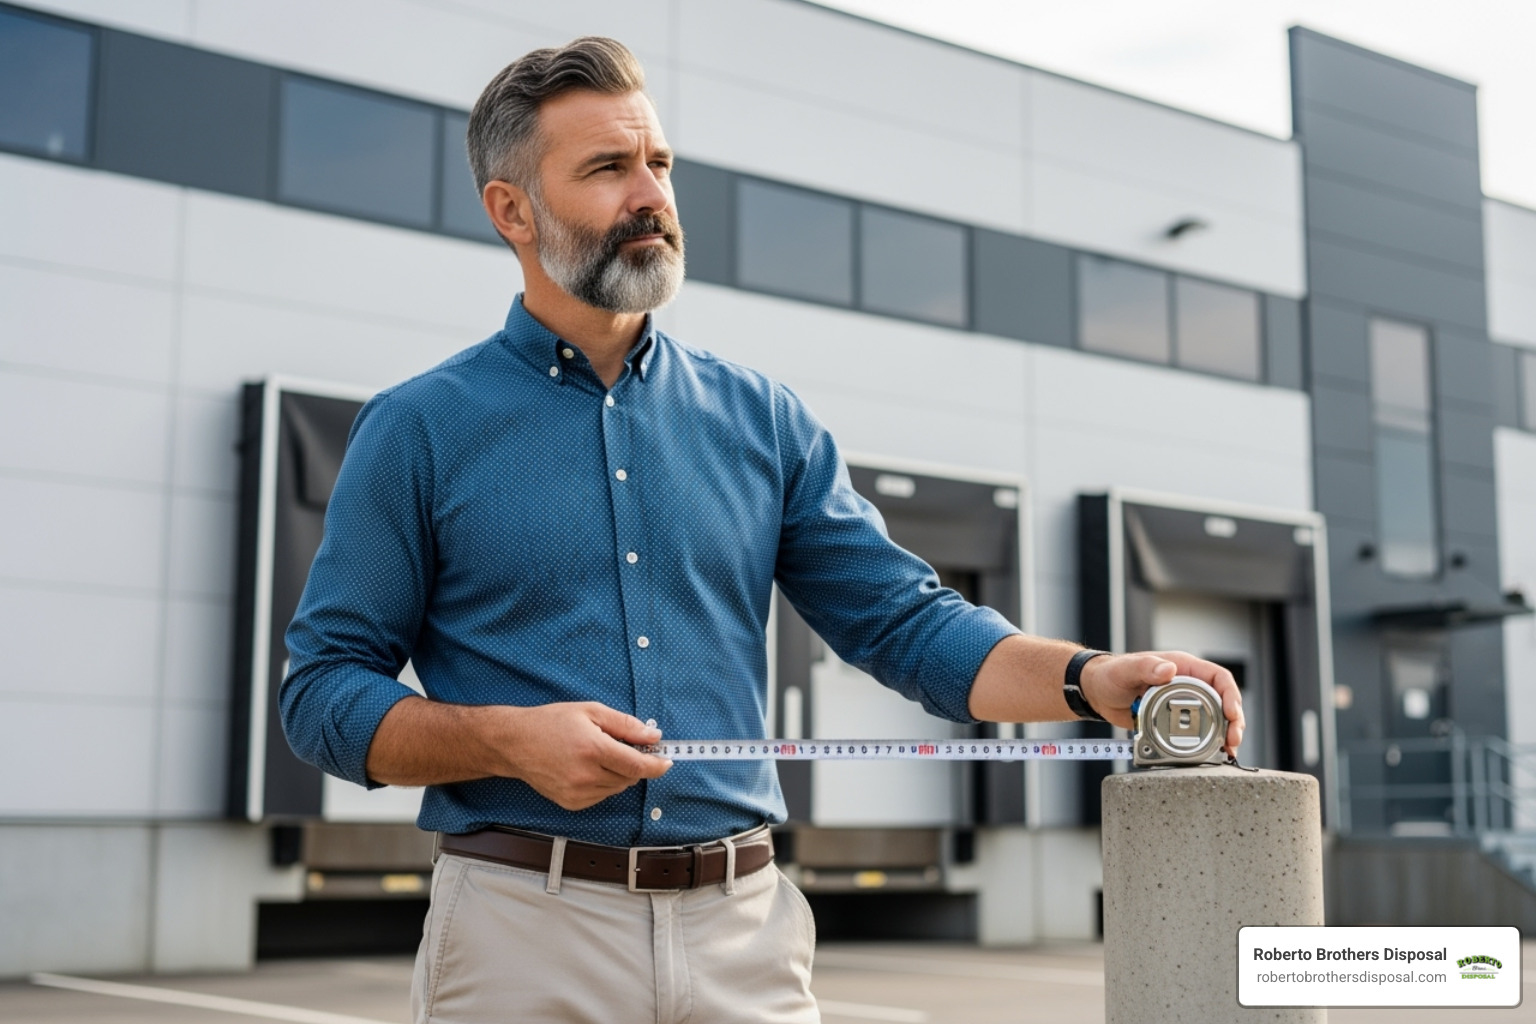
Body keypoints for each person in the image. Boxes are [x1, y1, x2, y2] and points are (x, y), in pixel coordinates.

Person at [280, 35, 1245, 1024]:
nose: (649, 193)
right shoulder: (419, 429)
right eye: (608, 168)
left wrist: (1090, 678)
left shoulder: (760, 418)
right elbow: (321, 697)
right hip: (525, 929)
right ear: (511, 209)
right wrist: (505, 742)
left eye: (657, 163)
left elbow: (902, 621)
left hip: (743, 931)